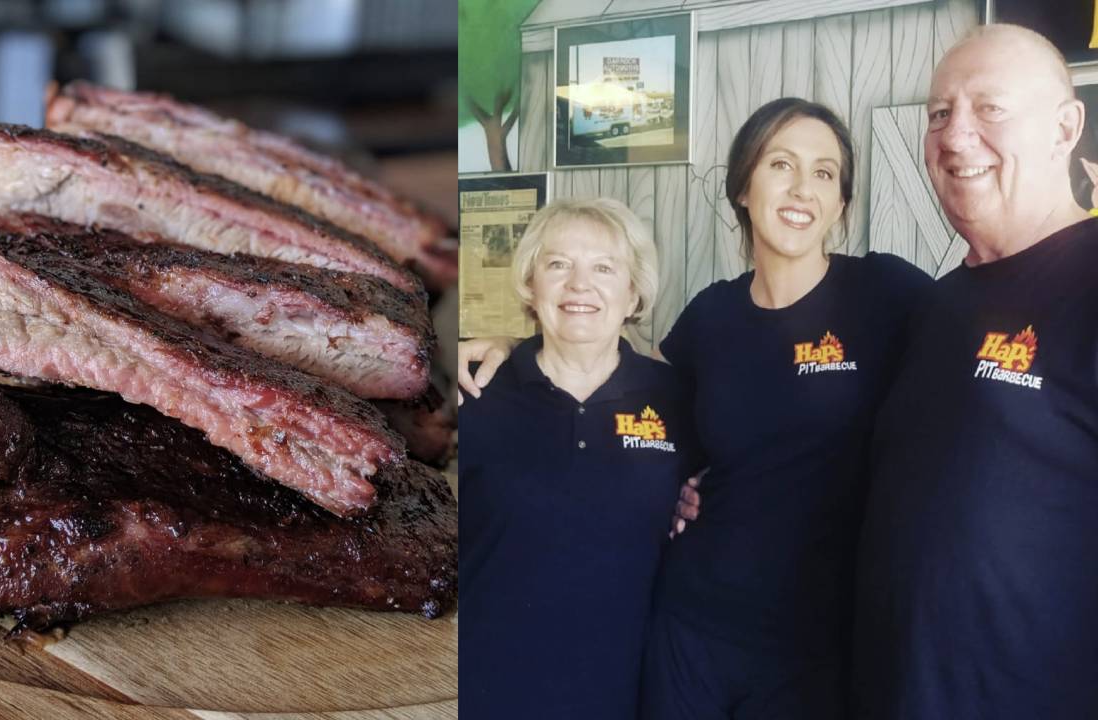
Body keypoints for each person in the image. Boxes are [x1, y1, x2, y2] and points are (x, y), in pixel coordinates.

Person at [459, 98, 931, 719]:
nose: (801, 188)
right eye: (780, 164)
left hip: (817, 643)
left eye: (824, 173)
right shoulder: (711, 316)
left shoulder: (887, 294)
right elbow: (615, 365)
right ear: (743, 186)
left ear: (842, 201)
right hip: (690, 632)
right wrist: (516, 344)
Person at [852, 24, 1098, 719]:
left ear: (1064, 128)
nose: (955, 137)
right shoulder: (937, 304)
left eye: (989, 108)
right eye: (939, 113)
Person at [458, 197, 699, 719]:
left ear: (633, 292)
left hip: (627, 693)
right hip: (485, 691)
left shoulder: (677, 399)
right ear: (530, 284)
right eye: (559, 264)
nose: (579, 285)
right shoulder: (474, 390)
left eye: (604, 268)